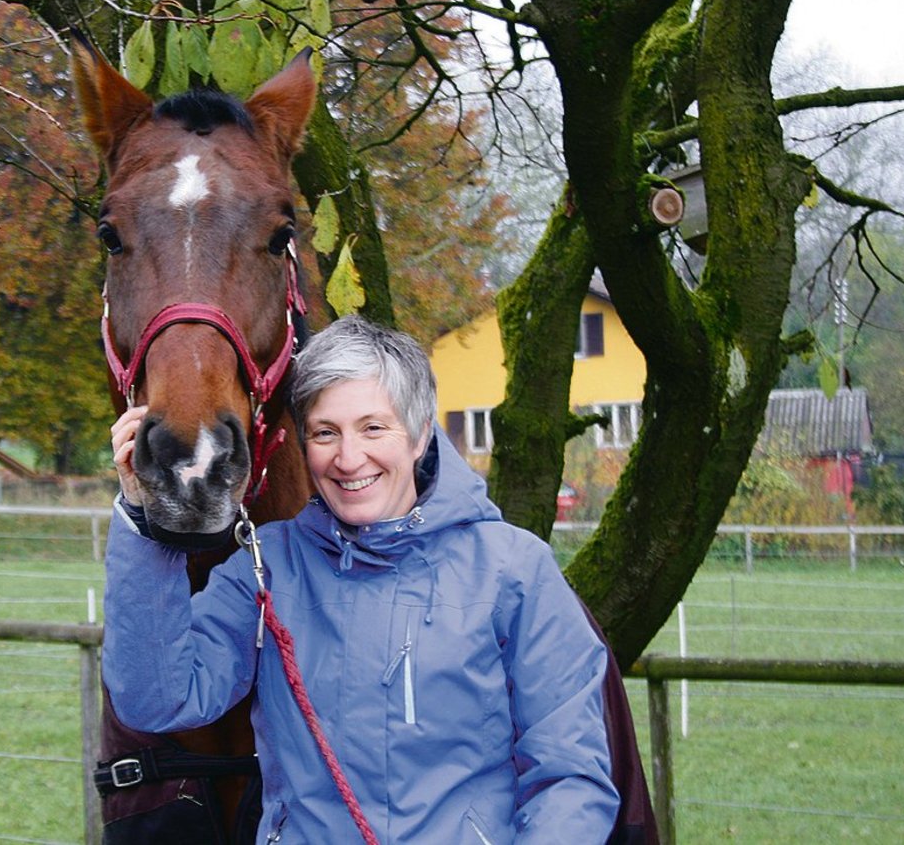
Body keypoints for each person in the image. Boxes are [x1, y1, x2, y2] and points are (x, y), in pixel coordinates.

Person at [103, 315, 619, 843]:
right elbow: (159, 700)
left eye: (374, 428)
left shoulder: (515, 570)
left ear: (419, 435)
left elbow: (569, 778)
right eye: (325, 433)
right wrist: (145, 520)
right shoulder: (267, 567)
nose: (349, 459)